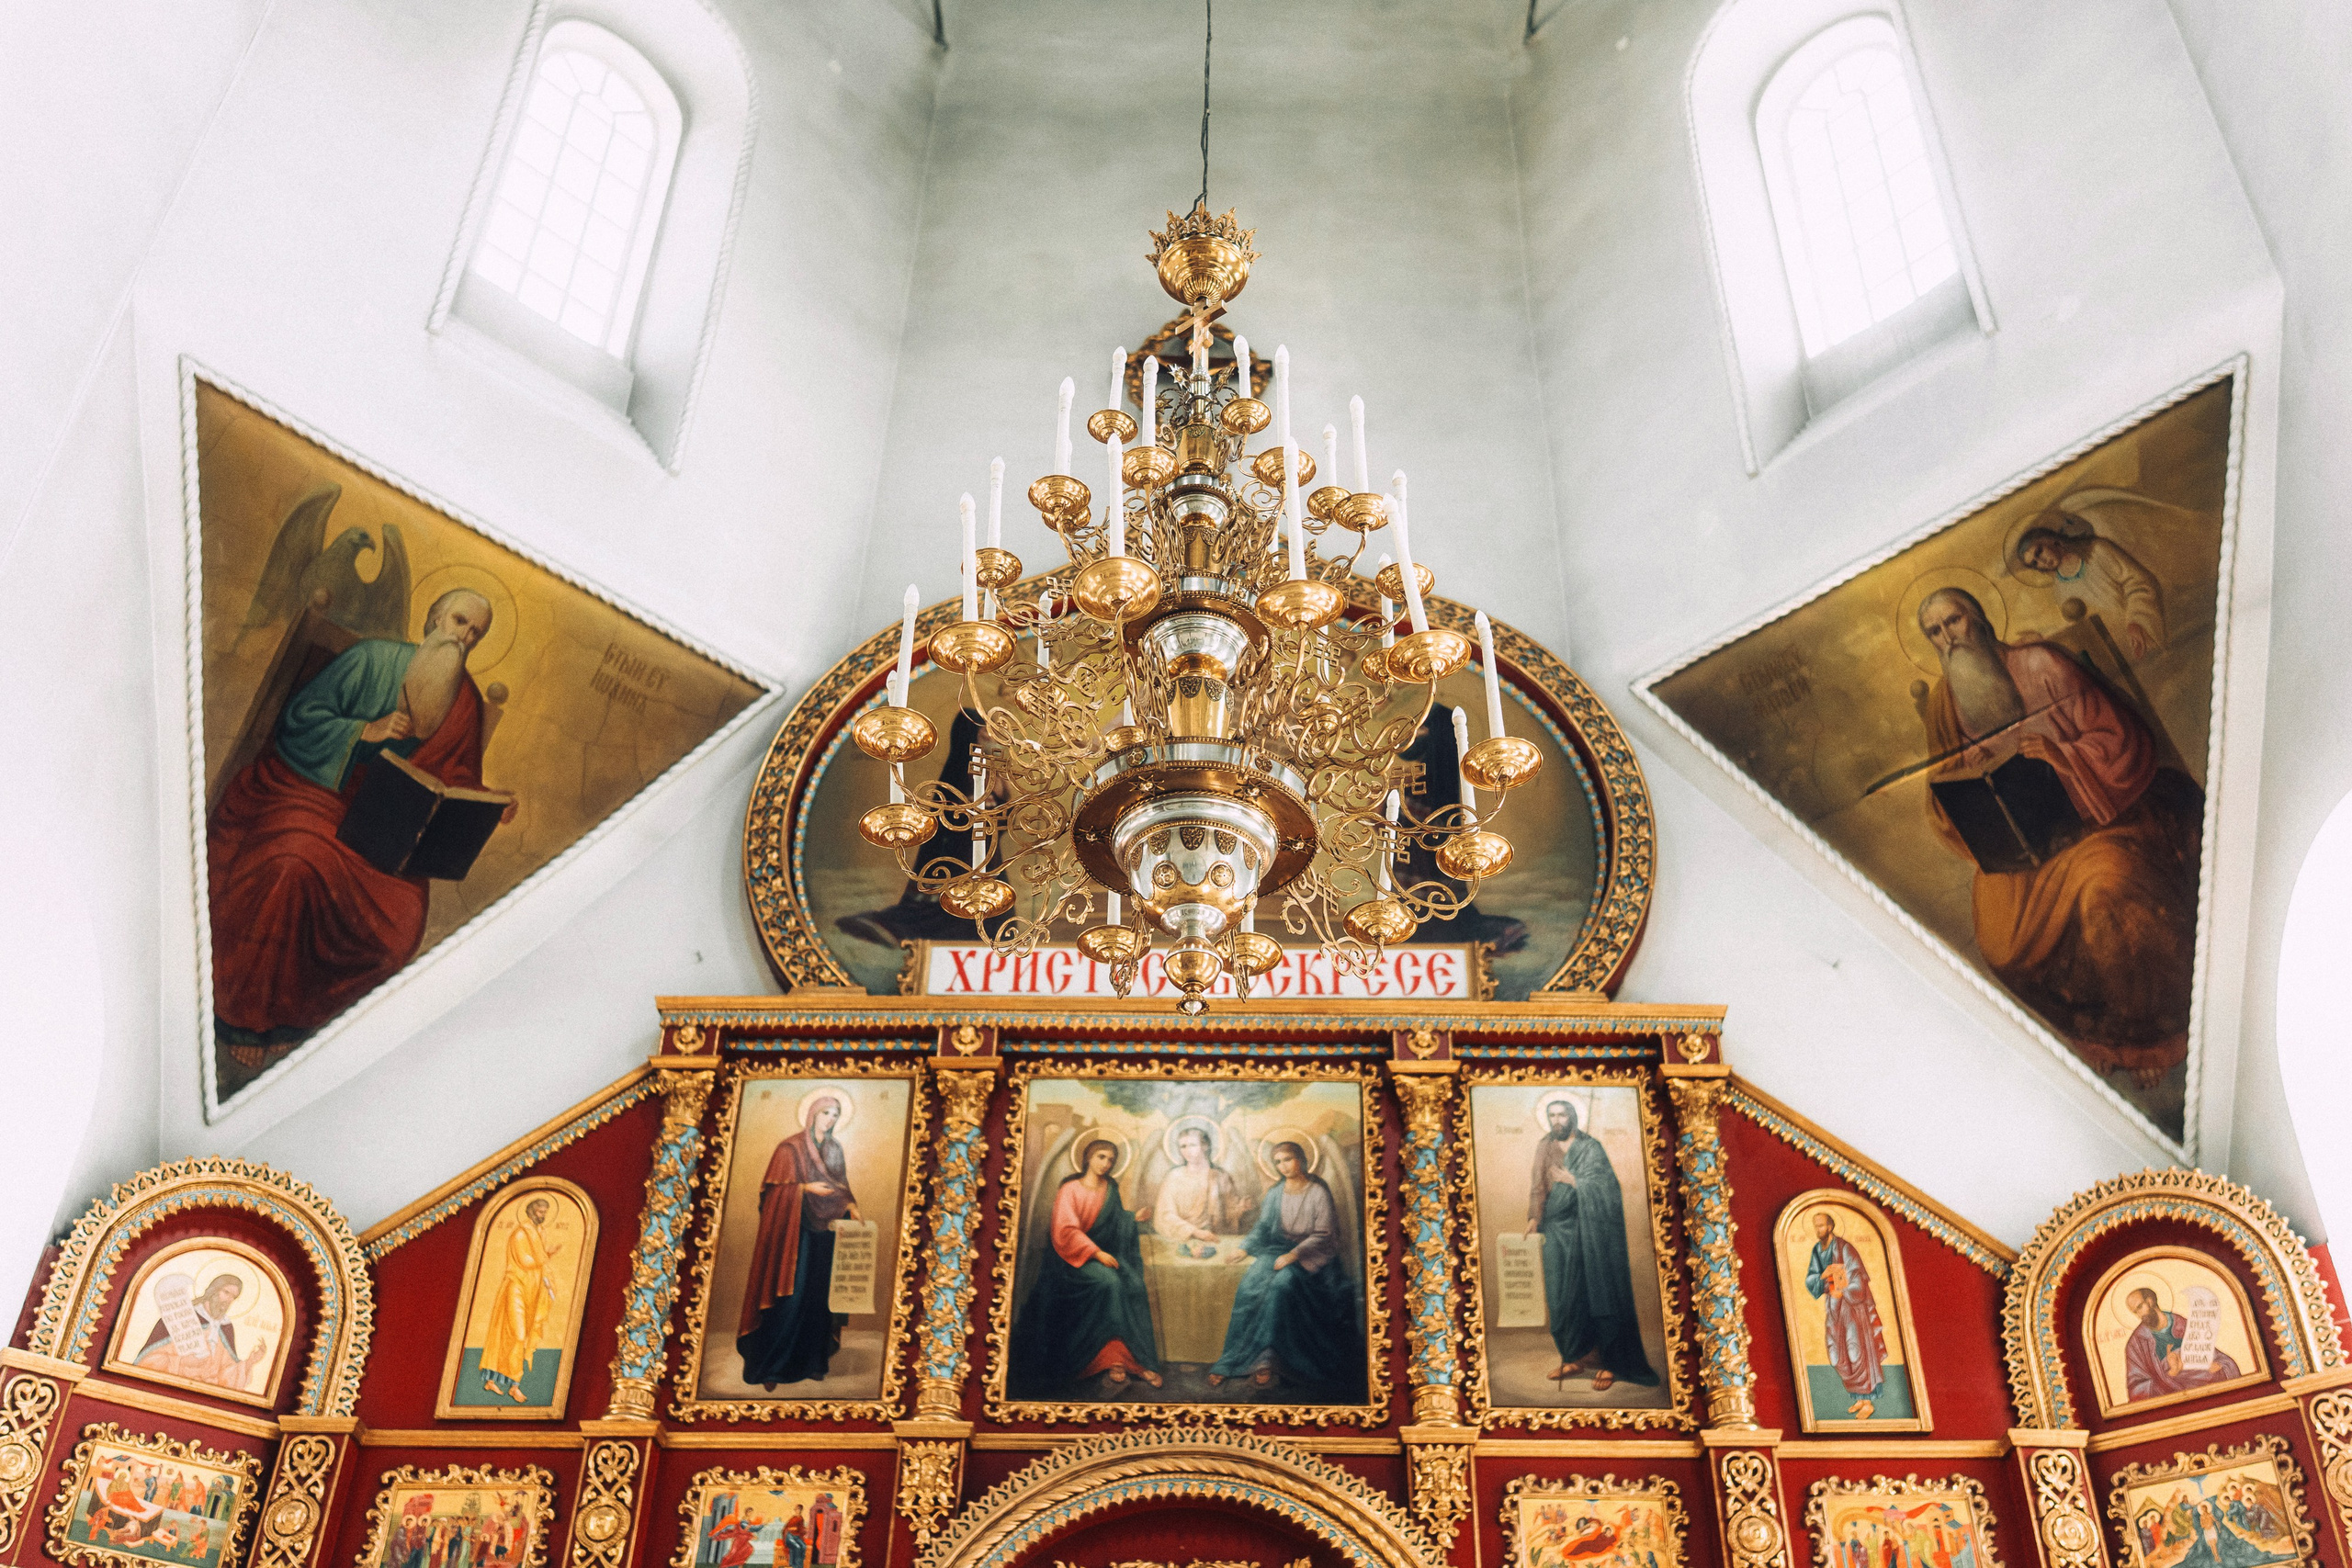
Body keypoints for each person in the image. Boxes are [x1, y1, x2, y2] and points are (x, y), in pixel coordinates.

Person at [209, 589, 515, 1058]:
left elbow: (456, 780)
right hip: (309, 791)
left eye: (475, 633)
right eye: (459, 622)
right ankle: (246, 1022)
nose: (463, 638)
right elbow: (299, 720)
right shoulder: (372, 658)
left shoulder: (465, 705)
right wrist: (362, 731)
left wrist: (493, 802)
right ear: (434, 618)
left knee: (399, 927)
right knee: (292, 866)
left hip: (379, 832)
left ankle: (298, 1016)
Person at [1916, 588, 2203, 1084]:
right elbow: (1940, 790)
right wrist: (1963, 791)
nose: (1949, 639)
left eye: (1954, 622)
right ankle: (2104, 1035)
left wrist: (2060, 755)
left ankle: (2150, 1038)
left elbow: (2121, 738)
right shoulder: (1945, 702)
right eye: (1935, 632)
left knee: (2105, 886)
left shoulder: (2042, 663)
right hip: (2027, 846)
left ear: (1979, 618)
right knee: (2000, 938)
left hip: (2102, 813)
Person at [1209, 1142, 1363, 1394]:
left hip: (1312, 1256)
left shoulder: (1317, 1192)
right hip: (1277, 1250)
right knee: (1249, 1287)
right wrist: (1244, 1248)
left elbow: (1324, 1233)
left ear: (1300, 1159)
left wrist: (1294, 1254)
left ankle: (1268, 1358)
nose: (1283, 1166)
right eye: (1278, 1162)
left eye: (1288, 1159)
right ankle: (1232, 1360)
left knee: (1281, 1287)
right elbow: (1262, 1226)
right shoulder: (1275, 1192)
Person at [1525, 1100, 1658, 1392]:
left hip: (1591, 1229)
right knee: (1561, 1296)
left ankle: (1611, 1362)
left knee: (1598, 1290)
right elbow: (1538, 1184)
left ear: (1572, 1116)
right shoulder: (1545, 1146)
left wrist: (1576, 1182)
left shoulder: (1591, 1147)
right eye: (1551, 1115)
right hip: (1557, 1228)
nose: (1556, 1120)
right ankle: (1574, 1356)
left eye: (1561, 1114)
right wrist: (1535, 1218)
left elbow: (1609, 1187)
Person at [1008, 1139, 1163, 1391]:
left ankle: (1127, 1356)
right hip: (1071, 1261)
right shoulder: (1070, 1189)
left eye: (1111, 1160)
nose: (1106, 1164)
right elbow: (1065, 1231)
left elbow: (1113, 1221)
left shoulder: (1110, 1187)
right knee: (1110, 1283)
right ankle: (1112, 1360)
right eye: (1101, 1157)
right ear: (1088, 1158)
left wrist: (1132, 1218)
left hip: (1101, 1255)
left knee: (1132, 1282)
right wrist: (1096, 1252)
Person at [737, 1095, 860, 1390]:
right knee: (791, 1293)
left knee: (819, 1295)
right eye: (827, 1113)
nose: (831, 1119)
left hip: (826, 1233)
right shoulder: (788, 1149)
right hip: (793, 1233)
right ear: (813, 1114)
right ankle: (770, 1367)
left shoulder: (834, 1149)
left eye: (836, 1114)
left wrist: (853, 1208)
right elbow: (772, 1195)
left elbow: (840, 1188)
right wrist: (803, 1189)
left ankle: (813, 1362)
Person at [2009, 514, 2166, 659]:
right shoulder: (2060, 589)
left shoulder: (2098, 550)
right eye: (2034, 563)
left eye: (2039, 552)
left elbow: (2140, 583)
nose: (2041, 562)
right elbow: (2080, 626)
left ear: (2053, 540)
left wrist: (2136, 621)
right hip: (2115, 651)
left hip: (2138, 633)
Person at [478, 1198, 562, 1404]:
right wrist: (547, 1254)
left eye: (545, 1212)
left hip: (532, 1291)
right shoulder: (520, 1234)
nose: (542, 1215)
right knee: (517, 1333)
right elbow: (526, 1261)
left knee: (521, 1338)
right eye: (540, 1211)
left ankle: (507, 1384)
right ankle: (506, 1382)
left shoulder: (539, 1232)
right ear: (531, 1211)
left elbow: (540, 1266)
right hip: (515, 1287)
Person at [1804, 1212, 1890, 1413]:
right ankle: (1857, 1397)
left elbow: (1858, 1278)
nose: (1818, 1230)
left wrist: (1842, 1292)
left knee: (1855, 1350)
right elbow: (1812, 1278)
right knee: (1837, 1351)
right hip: (1833, 1307)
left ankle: (1868, 1401)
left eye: (1822, 1226)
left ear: (1831, 1226)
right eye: (1816, 1226)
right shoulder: (1818, 1250)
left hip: (1852, 1307)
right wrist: (1824, 1277)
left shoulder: (1845, 1248)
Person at [134, 1273, 267, 1393]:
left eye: (233, 1297)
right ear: (214, 1291)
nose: (229, 1300)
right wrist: (181, 1362)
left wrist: (250, 1362)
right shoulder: (181, 1315)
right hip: (172, 1389)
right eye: (226, 1292)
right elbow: (146, 1362)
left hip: (205, 1396)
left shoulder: (225, 1327)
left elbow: (225, 1377)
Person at [2120, 1286, 2242, 1404]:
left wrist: (2218, 1366)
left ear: (2150, 1301)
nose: (2140, 1315)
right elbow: (2136, 1391)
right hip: (2174, 1399)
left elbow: (2216, 1356)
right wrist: (2172, 1373)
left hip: (2206, 1389)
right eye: (2136, 1312)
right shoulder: (2136, 1343)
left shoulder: (2182, 1324)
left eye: (2140, 1307)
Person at [1151, 1126, 1245, 1257]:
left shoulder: (1220, 1177)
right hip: (1181, 1240)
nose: (1187, 1151)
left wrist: (1239, 1209)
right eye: (1183, 1146)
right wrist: (1195, 1232)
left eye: (1192, 1145)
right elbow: (1164, 1215)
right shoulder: (1174, 1176)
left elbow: (1229, 1216)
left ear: (1205, 1146)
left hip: (1214, 1239)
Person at [809, 1494, 842, 1568]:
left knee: (820, 1543)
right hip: (819, 1533)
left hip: (825, 1534)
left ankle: (820, 1560)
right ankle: (814, 1559)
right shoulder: (818, 1514)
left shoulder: (830, 1515)